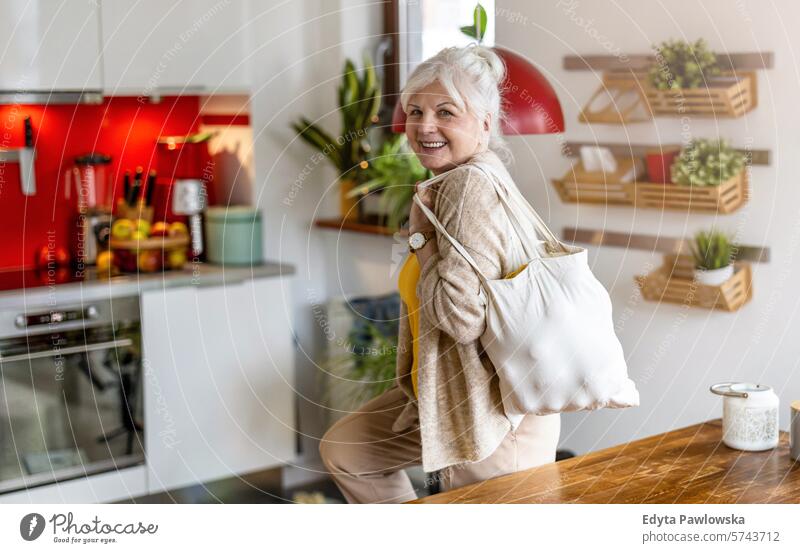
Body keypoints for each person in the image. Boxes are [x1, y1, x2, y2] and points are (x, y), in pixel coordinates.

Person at [319, 45, 560, 503]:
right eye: (415, 111)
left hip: (493, 419)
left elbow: (462, 317)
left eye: (445, 112)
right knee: (348, 449)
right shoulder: (457, 182)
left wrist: (420, 240)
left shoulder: (468, 188)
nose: (424, 126)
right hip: (449, 395)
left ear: (486, 123)